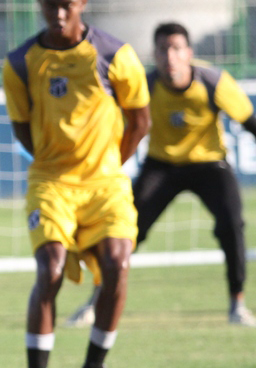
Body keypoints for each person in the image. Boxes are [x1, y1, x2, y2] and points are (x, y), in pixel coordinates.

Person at [2, 0, 150, 368]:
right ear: (41, 5)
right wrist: (56, 159)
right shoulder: (21, 62)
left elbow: (140, 121)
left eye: (67, 5)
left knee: (117, 266)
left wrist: (108, 163)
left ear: (82, 2)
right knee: (48, 270)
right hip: (50, 182)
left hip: (106, 183)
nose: (60, 14)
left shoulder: (116, 55)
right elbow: (22, 127)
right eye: (51, 6)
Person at [68, 22, 256, 328]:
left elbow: (251, 123)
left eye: (177, 49)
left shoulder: (214, 82)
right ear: (154, 54)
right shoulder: (145, 84)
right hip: (162, 165)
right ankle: (95, 302)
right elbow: (114, 121)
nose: (170, 57)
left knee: (232, 225)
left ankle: (237, 305)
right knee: (124, 231)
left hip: (209, 165)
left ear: (189, 53)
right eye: (163, 50)